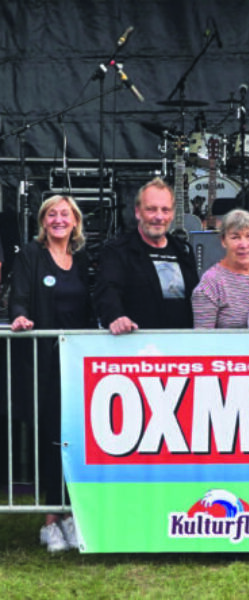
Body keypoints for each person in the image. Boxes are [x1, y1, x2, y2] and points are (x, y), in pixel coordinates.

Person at [9, 194, 93, 552]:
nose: (59, 220)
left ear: (75, 221)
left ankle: (71, 513)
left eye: (65, 214)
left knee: (76, 437)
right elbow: (19, 296)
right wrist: (20, 315)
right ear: (43, 221)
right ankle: (49, 521)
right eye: (52, 214)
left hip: (77, 364)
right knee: (50, 438)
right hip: (43, 362)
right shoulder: (31, 254)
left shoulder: (84, 259)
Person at [94, 178, 199, 334]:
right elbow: (108, 290)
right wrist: (116, 316)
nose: (159, 217)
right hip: (139, 348)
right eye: (151, 209)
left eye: (165, 210)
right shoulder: (117, 251)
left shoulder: (183, 250)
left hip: (181, 348)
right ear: (137, 212)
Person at [192, 209, 249, 328]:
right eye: (235, 237)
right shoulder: (211, 283)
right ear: (223, 241)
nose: (243, 244)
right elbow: (203, 339)